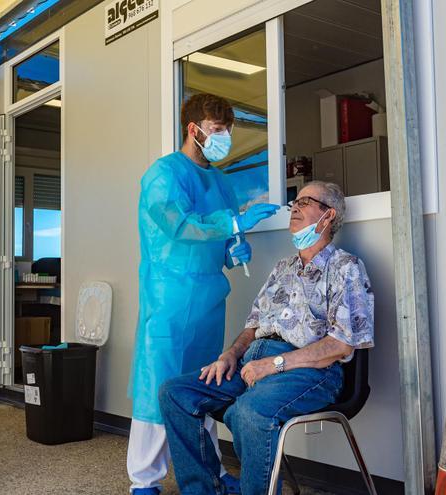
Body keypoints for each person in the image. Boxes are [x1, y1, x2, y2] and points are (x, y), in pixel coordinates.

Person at [158, 181, 375, 495]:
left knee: (248, 412)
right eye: (294, 202)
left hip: (310, 371)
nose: (295, 207)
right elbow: (253, 326)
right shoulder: (283, 267)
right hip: (254, 363)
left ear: (327, 216)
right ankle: (203, 490)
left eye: (306, 201)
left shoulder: (346, 268)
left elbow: (340, 344)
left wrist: (274, 364)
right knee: (175, 392)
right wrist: (230, 355)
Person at [127, 93, 279, 494]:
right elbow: (180, 225)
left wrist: (234, 249)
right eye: (217, 130)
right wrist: (234, 221)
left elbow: (222, 238)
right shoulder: (163, 175)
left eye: (228, 130)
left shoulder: (220, 181)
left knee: (206, 386)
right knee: (158, 385)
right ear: (193, 129)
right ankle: (145, 479)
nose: (224, 137)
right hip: (170, 299)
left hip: (209, 300)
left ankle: (210, 472)